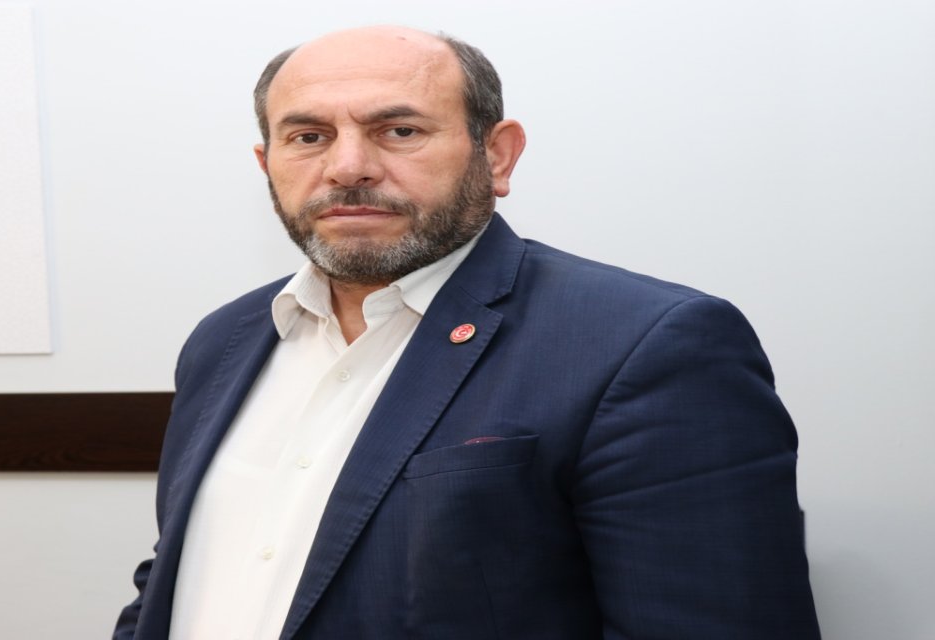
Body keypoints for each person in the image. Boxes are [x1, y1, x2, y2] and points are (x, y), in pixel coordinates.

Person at [114, 25, 820, 640]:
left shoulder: (646, 345)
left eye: (399, 130)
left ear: (498, 156)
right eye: (308, 137)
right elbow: (181, 579)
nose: (348, 167)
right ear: (267, 163)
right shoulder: (226, 340)